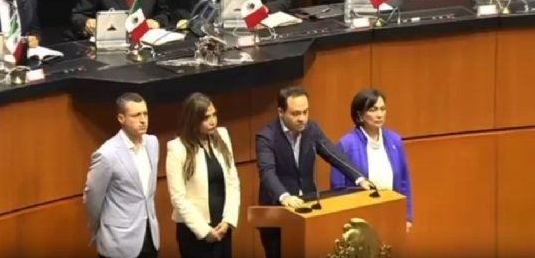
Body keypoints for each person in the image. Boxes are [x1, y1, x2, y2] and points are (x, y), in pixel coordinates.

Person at [255, 86, 371, 258]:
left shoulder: (312, 129)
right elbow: (267, 173)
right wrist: (284, 196)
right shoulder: (266, 137)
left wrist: (360, 178)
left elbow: (333, 154)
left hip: (310, 213)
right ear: (281, 112)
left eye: (305, 112)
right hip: (278, 218)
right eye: (296, 113)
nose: (302, 118)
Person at [83, 92, 160, 258]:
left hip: (149, 237)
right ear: (121, 118)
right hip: (119, 241)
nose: (143, 120)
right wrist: (99, 228)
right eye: (136, 115)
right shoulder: (107, 154)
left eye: (145, 114)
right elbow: (92, 196)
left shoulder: (153, 143)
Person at [166, 92, 240, 258]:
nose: (212, 121)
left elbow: (233, 182)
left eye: (214, 115)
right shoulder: (177, 148)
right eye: (206, 118)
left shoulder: (222, 135)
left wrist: (228, 220)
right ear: (193, 120)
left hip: (222, 226)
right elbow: (178, 198)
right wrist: (204, 231)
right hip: (194, 231)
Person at [330, 88, 413, 233]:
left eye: (382, 109)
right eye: (373, 110)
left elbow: (404, 182)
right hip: (359, 222)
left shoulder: (395, 140)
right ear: (360, 114)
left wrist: (407, 217)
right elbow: (337, 188)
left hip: (391, 215)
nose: (379, 114)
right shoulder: (346, 144)